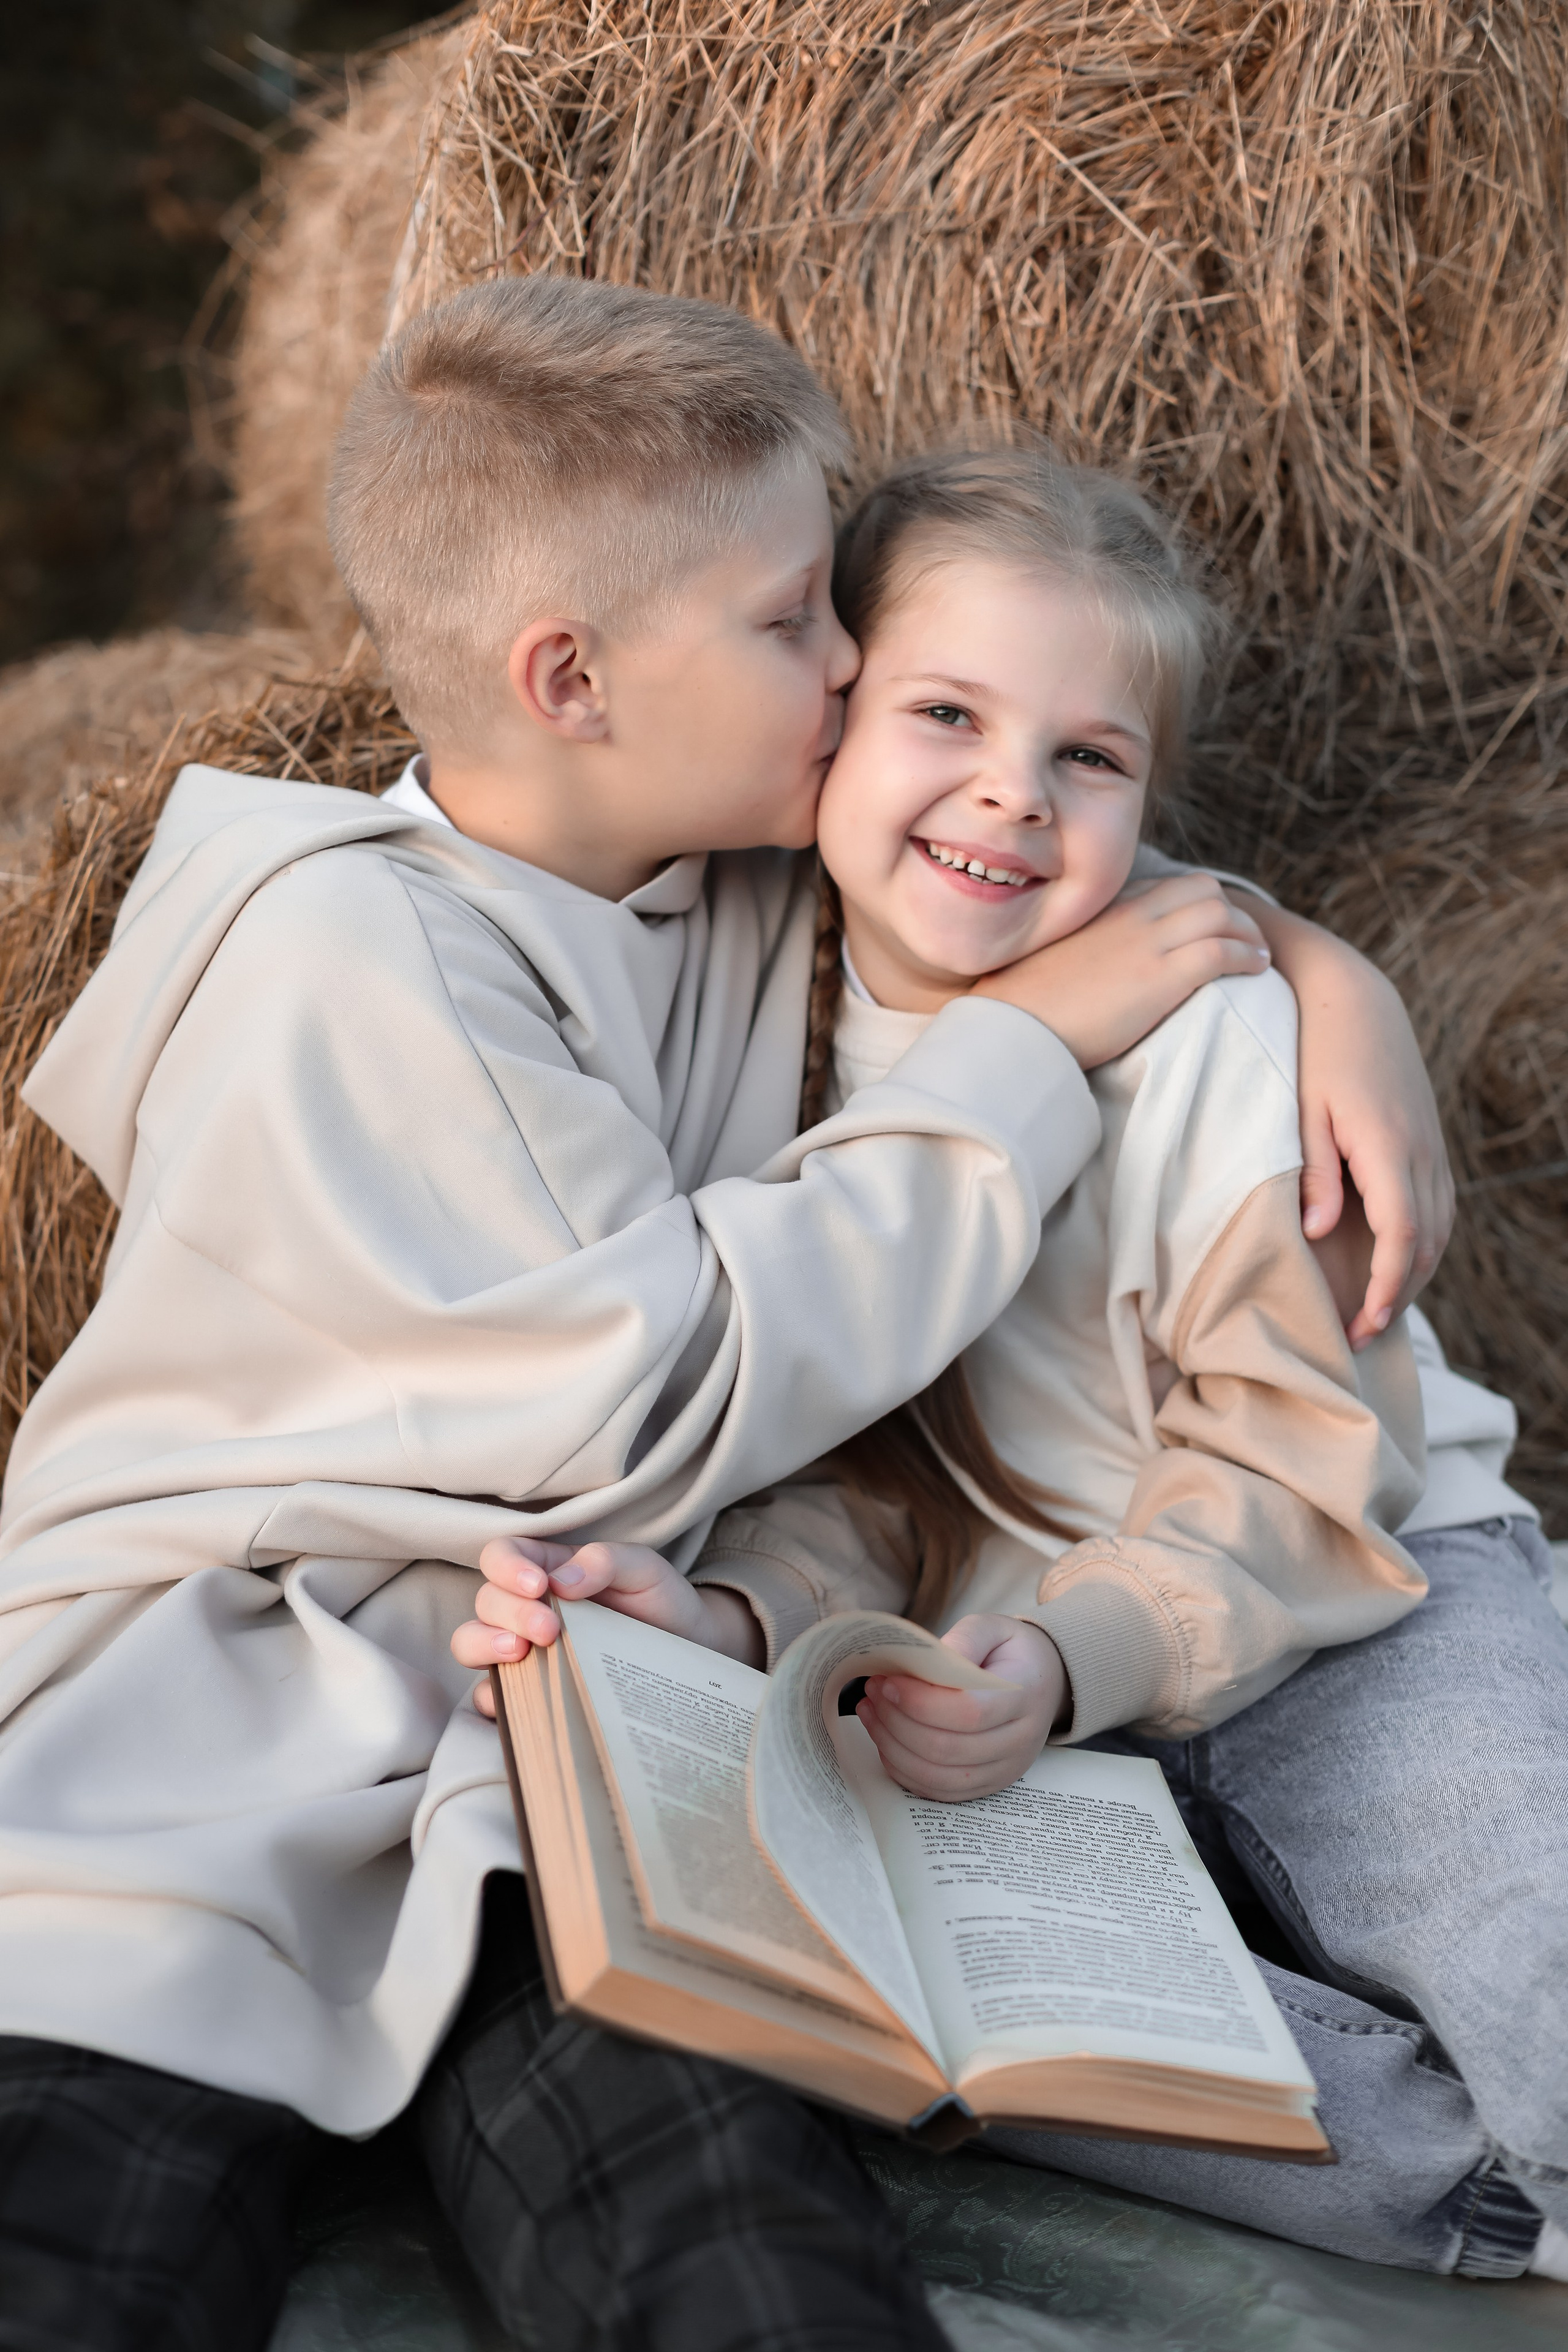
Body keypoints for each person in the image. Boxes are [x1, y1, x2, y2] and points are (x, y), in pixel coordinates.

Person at [0, 282, 1455, 2352]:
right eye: (795, 622)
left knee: (742, 2258)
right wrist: (1028, 1046)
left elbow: (1025, 848)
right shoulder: (336, 954)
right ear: (571, 676)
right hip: (215, 1752)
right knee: (73, 2244)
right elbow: (661, 1392)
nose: (856, 664)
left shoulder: (725, 877)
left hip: (570, 1763)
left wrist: (1329, 976)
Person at [471, 446, 1565, 2289]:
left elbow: (1303, 1461)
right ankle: (1484, 2198)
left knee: (1518, 1921)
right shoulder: (756, 1037)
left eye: (1091, 757)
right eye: (947, 713)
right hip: (1010, 1684)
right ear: (826, 721)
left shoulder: (1218, 1038)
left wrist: (1076, 1654)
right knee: (913, 2033)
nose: (1011, 792)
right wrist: (739, 1620)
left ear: (1155, 799)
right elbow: (854, 1464)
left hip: (1350, 1593)